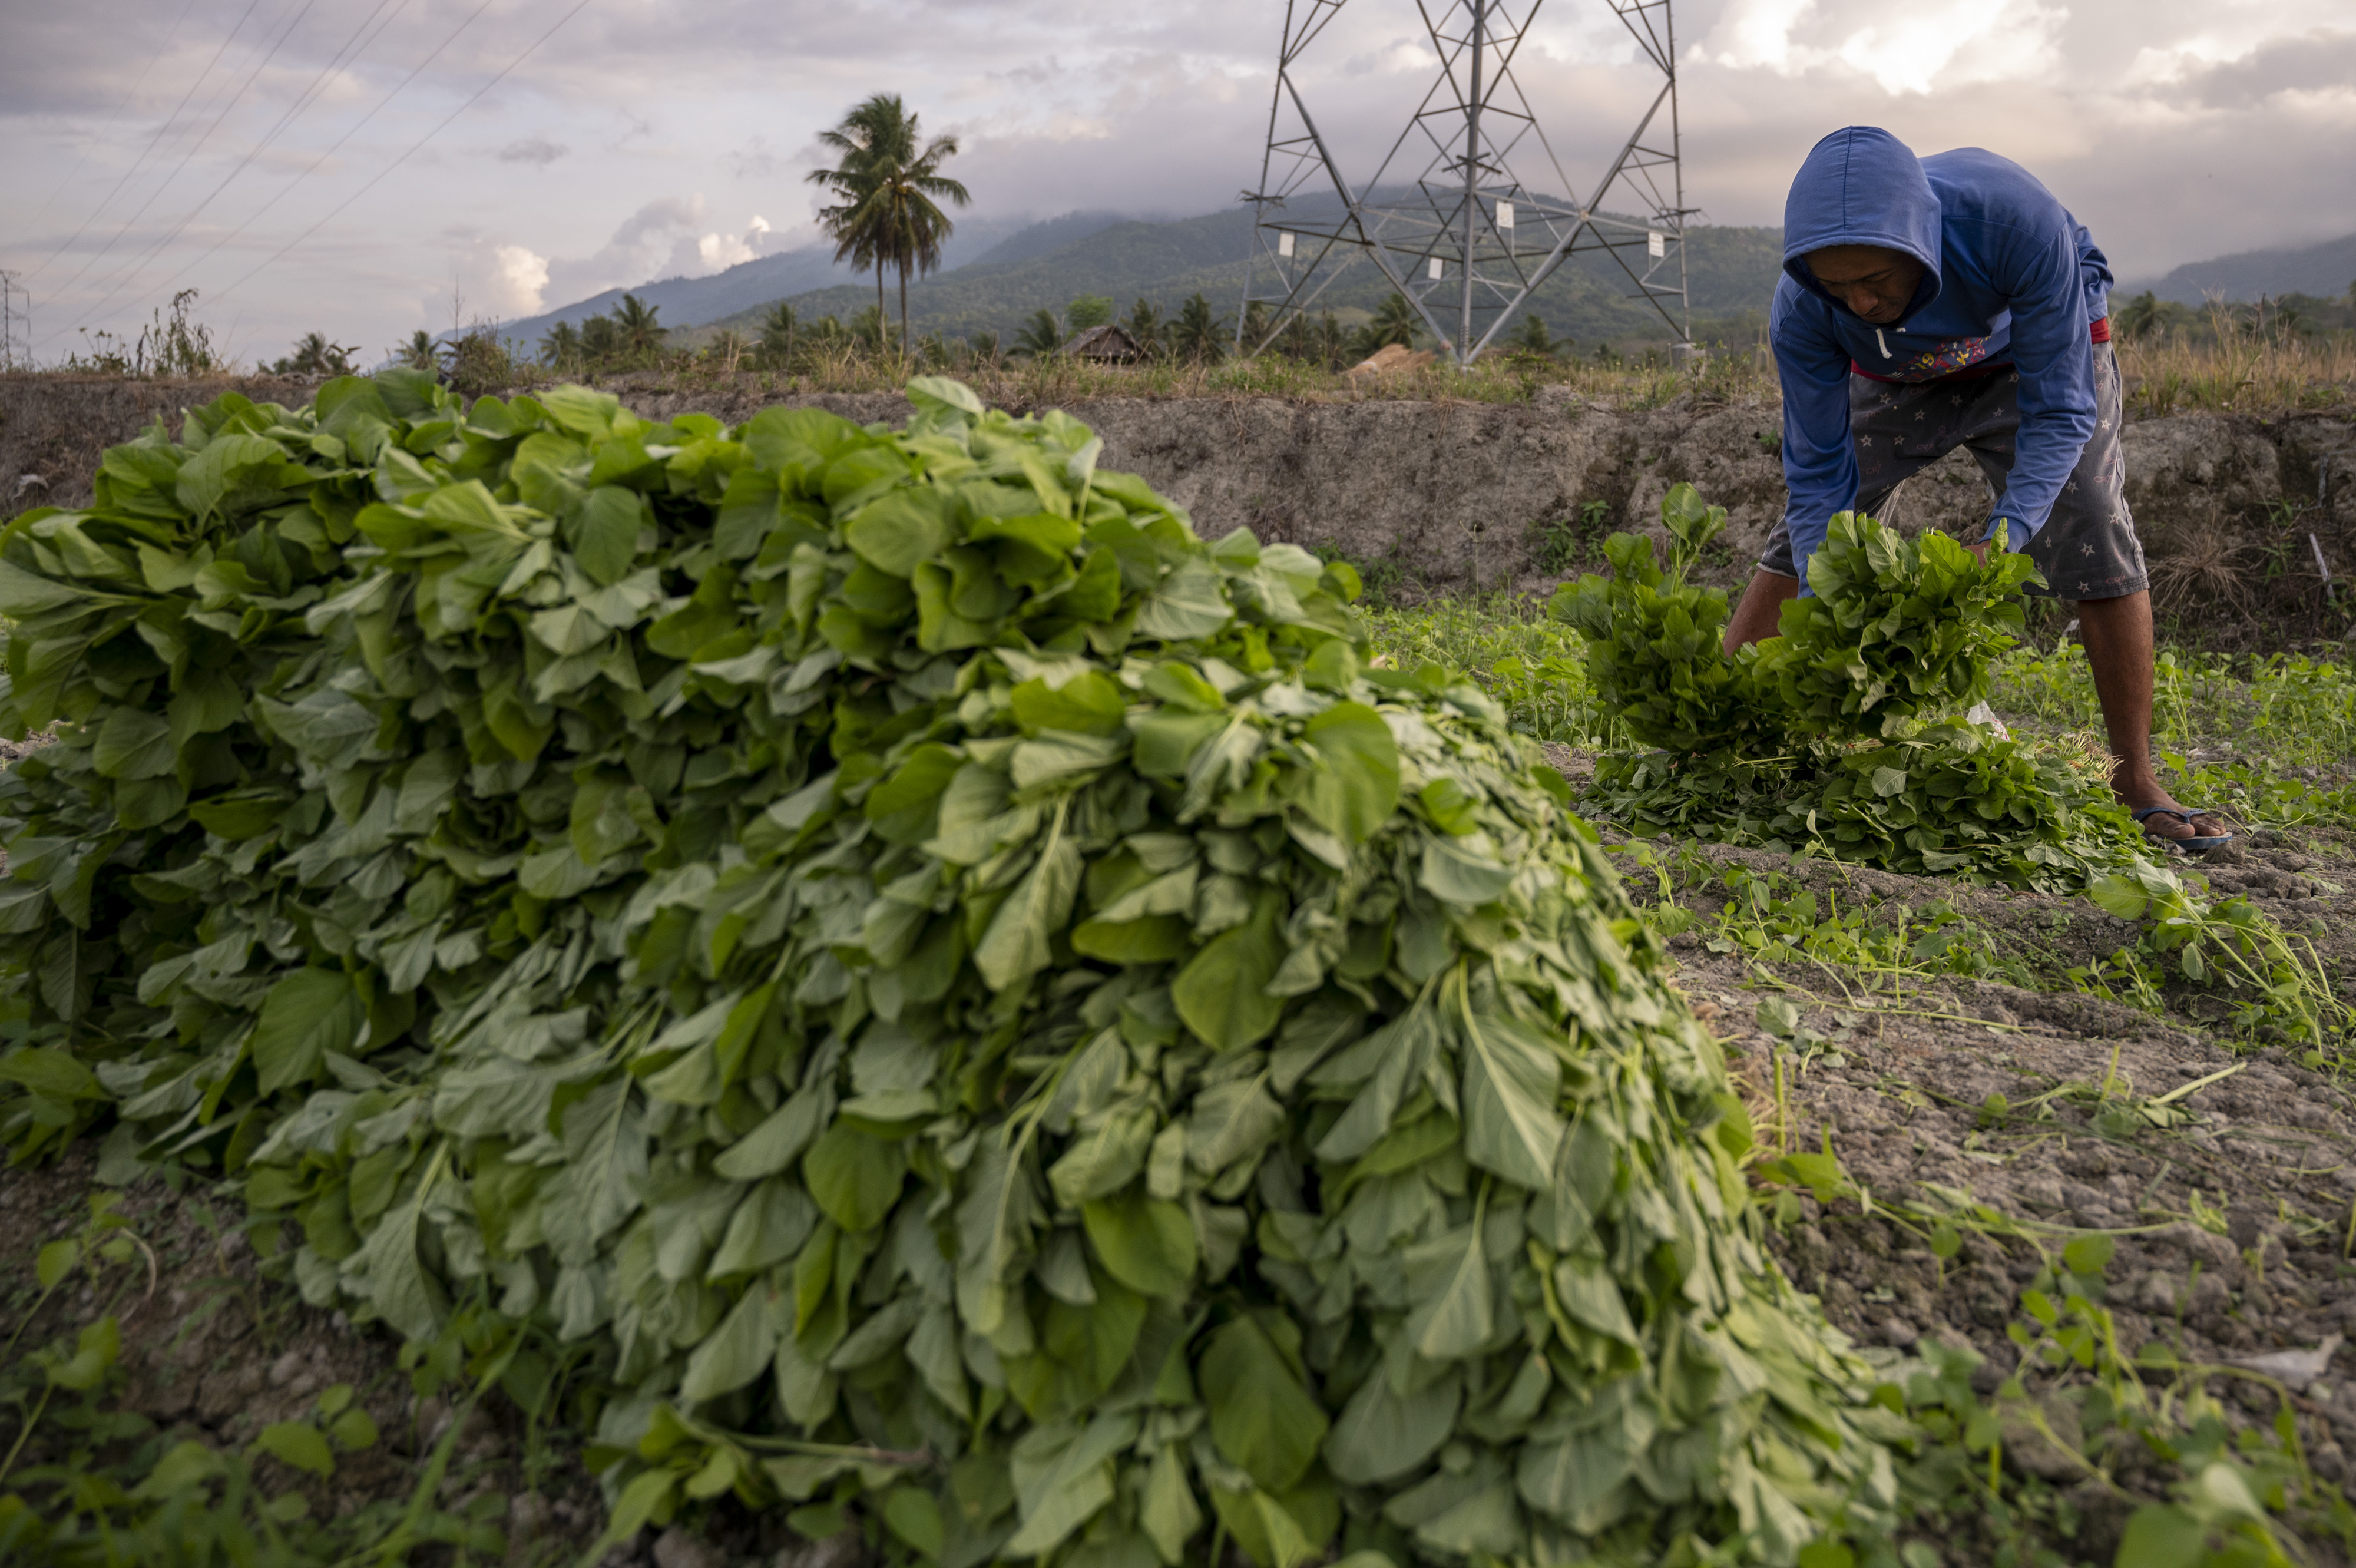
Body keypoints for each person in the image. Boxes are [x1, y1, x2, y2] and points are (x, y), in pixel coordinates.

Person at [1728, 126, 2229, 853]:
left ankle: (2135, 778)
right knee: (1813, 543)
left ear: (1917, 243)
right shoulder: (1805, 308)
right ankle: (1724, 731)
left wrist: (2006, 534)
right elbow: (1816, 474)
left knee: (2089, 513)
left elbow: (2061, 410)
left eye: (1875, 280)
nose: (1861, 303)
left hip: (2025, 357)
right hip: (1896, 375)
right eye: (1839, 289)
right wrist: (1825, 586)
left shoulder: (2012, 221)